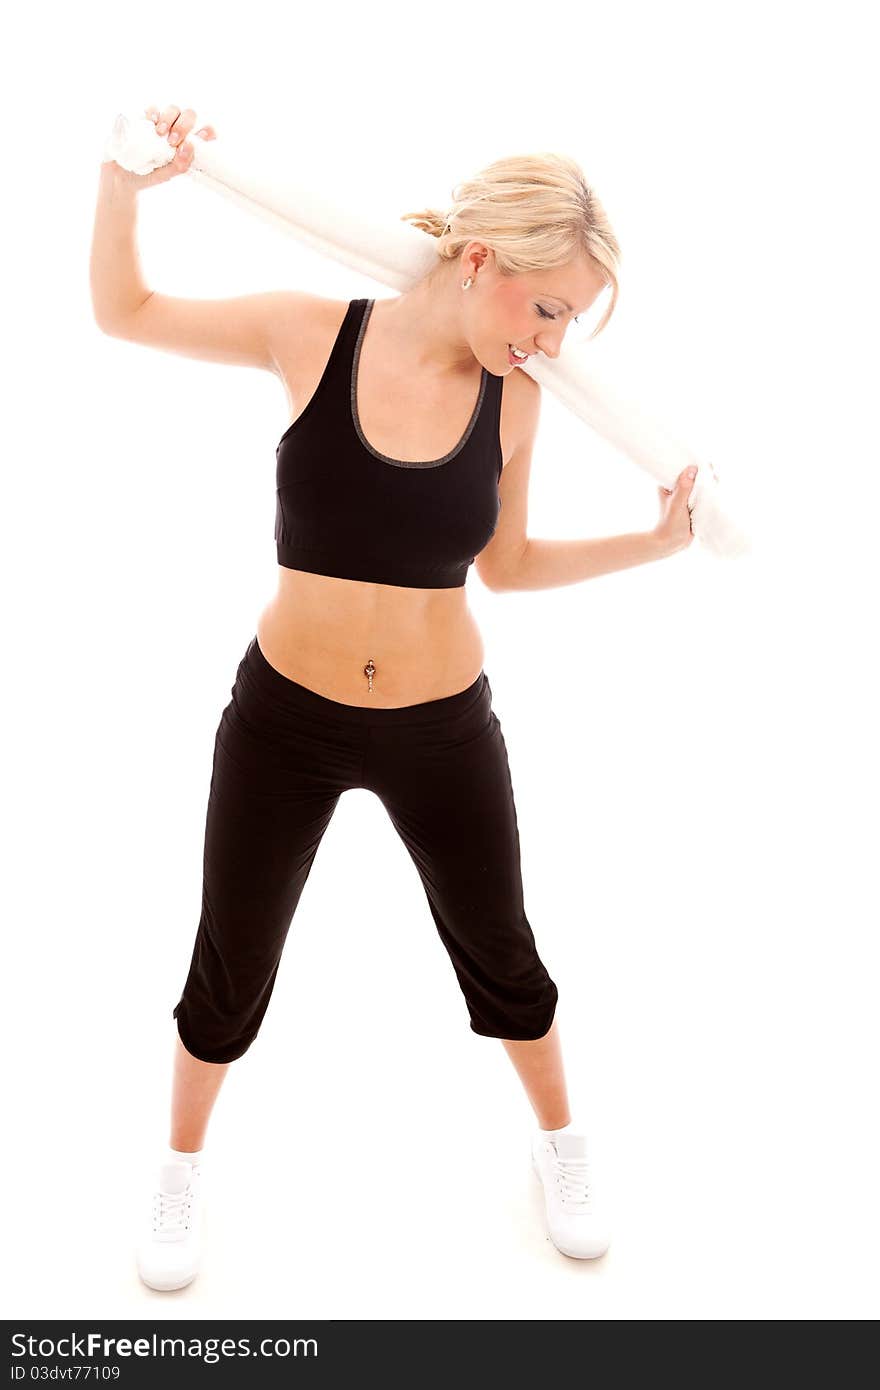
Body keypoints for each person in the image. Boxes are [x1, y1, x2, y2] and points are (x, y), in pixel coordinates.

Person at [91, 102, 697, 1290]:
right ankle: (178, 1164)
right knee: (231, 956)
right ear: (481, 262)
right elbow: (126, 312)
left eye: (567, 319)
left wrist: (651, 543)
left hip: (440, 726)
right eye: (547, 307)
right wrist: (124, 180)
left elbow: (505, 568)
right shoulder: (310, 334)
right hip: (286, 719)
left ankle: (561, 1144)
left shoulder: (515, 399)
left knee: (501, 950)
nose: (553, 341)